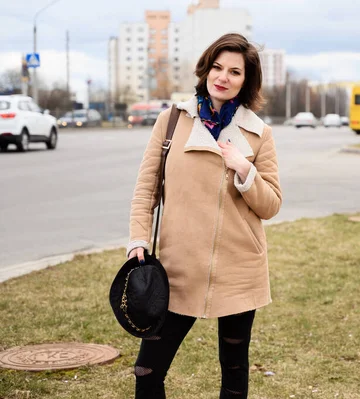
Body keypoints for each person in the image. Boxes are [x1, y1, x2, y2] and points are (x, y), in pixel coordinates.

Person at [125, 33, 282, 399]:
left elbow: (271, 204)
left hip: (239, 270)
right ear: (206, 69)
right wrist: (137, 239)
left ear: (246, 81)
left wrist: (245, 170)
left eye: (234, 71)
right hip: (179, 270)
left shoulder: (259, 134)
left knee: (233, 372)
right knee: (147, 370)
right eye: (217, 67)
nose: (223, 77)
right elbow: (146, 190)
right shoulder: (171, 122)